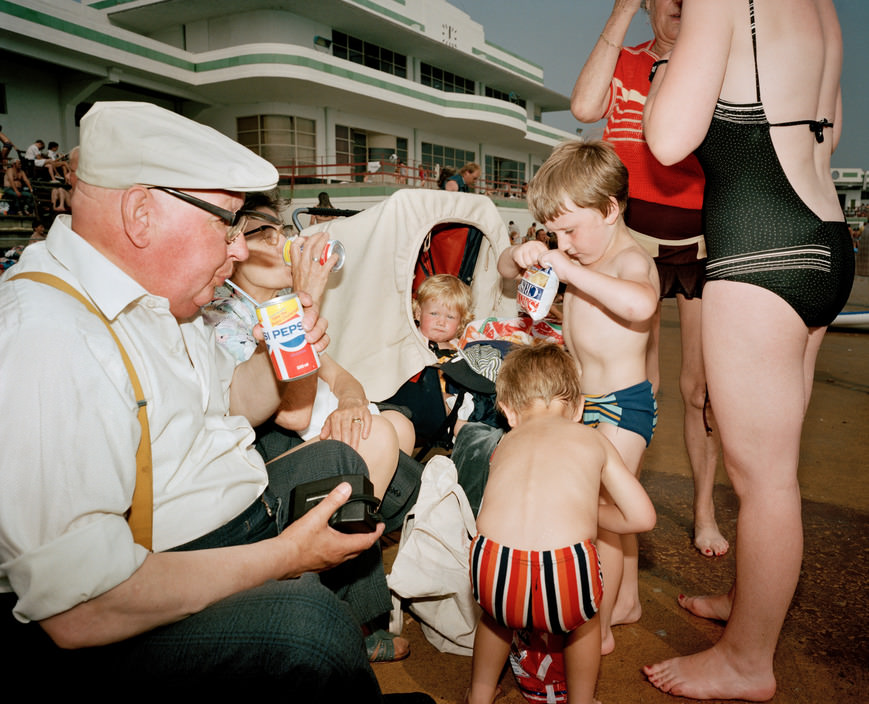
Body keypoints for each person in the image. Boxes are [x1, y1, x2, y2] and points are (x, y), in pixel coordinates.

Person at [0, 101, 431, 701]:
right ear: (141, 213)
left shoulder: (160, 301)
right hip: (143, 588)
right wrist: (283, 558)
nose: (238, 249)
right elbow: (83, 610)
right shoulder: (49, 337)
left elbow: (227, 397)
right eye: (225, 222)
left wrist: (287, 355)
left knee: (340, 463)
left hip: (232, 517)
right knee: (307, 627)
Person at [642, 1, 853, 700]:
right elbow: (829, 131)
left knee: (763, 482)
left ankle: (746, 661)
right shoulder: (818, 7)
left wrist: (668, 51)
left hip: (759, 250)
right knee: (773, 468)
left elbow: (669, 139)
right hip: (823, 241)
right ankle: (750, 603)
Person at [571, 0, 727, 560]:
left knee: (698, 390)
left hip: (703, 241)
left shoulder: (713, 62)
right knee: (642, 383)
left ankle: (705, 511)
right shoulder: (629, 58)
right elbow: (585, 105)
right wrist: (620, 12)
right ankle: (621, 506)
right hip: (635, 241)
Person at [499, 140, 660, 656]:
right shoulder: (578, 253)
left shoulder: (630, 260)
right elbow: (505, 270)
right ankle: (627, 599)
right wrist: (520, 253)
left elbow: (640, 304)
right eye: (553, 233)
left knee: (599, 514)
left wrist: (569, 271)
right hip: (585, 404)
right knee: (611, 507)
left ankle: (602, 626)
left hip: (622, 406)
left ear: (611, 209)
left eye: (570, 230)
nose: (562, 244)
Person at [466, 342, 656, 704]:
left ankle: (479, 694)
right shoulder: (592, 440)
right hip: (565, 573)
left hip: (494, 568)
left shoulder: (504, 443)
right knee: (583, 624)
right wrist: (590, 511)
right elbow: (642, 517)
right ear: (579, 408)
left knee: (494, 619)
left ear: (508, 411)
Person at [202, 190, 417, 496]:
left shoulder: (275, 302)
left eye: (282, 231)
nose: (283, 244)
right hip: (264, 452)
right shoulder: (222, 319)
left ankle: (355, 528)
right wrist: (305, 297)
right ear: (233, 246)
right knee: (379, 434)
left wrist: (351, 405)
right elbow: (295, 415)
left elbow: (341, 378)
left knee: (398, 424)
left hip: (307, 437)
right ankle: (344, 538)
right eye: (265, 234)